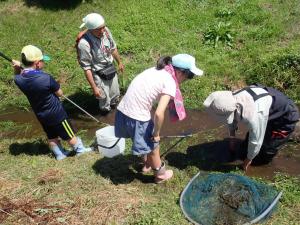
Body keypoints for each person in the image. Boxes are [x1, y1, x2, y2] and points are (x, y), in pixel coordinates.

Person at [115, 54, 204, 183]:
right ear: (180, 72)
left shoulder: (156, 70)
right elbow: (158, 113)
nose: (188, 79)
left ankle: (147, 165)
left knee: (143, 140)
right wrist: (156, 133)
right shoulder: (169, 82)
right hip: (137, 117)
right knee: (153, 146)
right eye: (189, 76)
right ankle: (160, 175)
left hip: (123, 110)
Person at [12, 45, 92, 160]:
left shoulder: (19, 79)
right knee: (69, 134)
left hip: (41, 114)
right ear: (37, 63)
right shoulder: (45, 77)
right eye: (42, 60)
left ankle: (59, 154)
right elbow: (60, 93)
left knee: (51, 136)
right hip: (57, 114)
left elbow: (17, 75)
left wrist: (17, 68)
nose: (44, 62)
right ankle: (80, 150)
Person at [203, 84, 299, 172]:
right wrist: (232, 138)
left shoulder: (253, 115)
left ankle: (263, 156)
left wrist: (247, 162)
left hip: (284, 117)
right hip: (266, 110)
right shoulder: (232, 100)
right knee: (243, 150)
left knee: (266, 151)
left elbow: (256, 141)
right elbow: (231, 118)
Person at [77, 13, 124, 114]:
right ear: (91, 29)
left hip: (110, 68)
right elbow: (87, 68)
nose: (103, 30)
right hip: (98, 73)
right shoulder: (84, 44)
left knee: (115, 93)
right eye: (99, 29)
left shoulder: (106, 32)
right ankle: (106, 115)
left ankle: (115, 110)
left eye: (103, 27)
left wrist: (119, 62)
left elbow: (113, 48)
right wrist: (94, 88)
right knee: (104, 98)